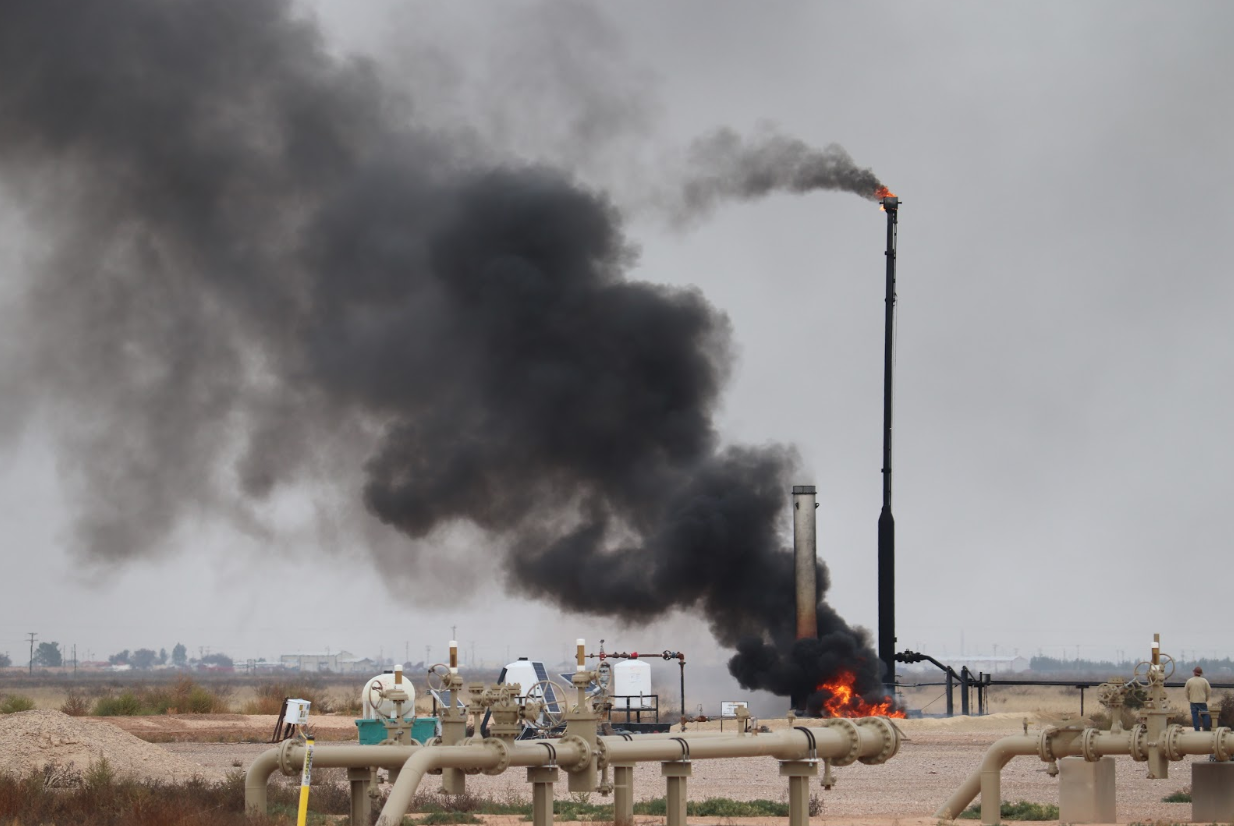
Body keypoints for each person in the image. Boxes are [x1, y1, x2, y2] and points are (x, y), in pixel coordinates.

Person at [1186, 666, 1212, 731]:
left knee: (1195, 715)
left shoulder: (1189, 681)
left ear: (1194, 673)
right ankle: (1206, 728)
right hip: (1202, 701)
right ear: (1200, 673)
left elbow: (1186, 691)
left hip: (1193, 701)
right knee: (1205, 714)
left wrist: (1189, 698)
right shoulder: (1204, 681)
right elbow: (1209, 690)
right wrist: (1206, 698)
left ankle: (1197, 729)